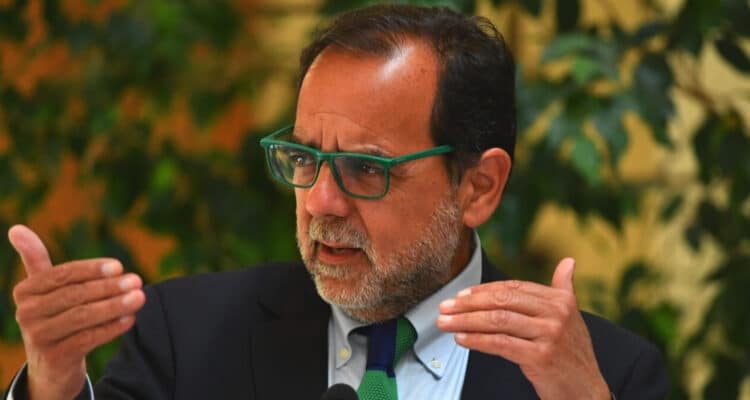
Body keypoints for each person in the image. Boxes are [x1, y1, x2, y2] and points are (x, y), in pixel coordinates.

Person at [4, 4, 669, 400]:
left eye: (365, 168)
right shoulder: (187, 338)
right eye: (304, 158)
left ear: (478, 186)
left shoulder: (604, 375)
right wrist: (52, 386)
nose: (321, 201)